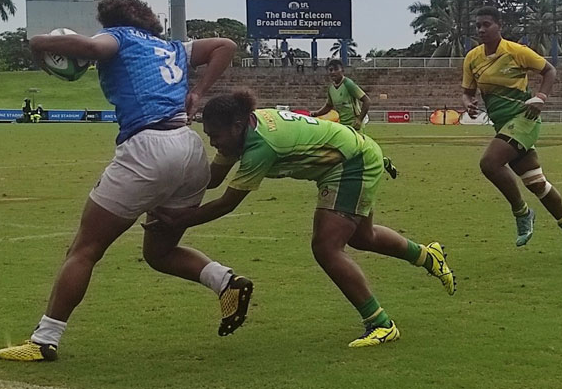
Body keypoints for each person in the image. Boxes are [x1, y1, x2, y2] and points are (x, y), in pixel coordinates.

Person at [0, 0, 247, 362]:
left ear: (111, 20)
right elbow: (226, 46)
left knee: (84, 249)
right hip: (190, 150)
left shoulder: (119, 36)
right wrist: (198, 92)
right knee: (159, 252)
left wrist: (38, 43)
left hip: (147, 148)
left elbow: (89, 48)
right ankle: (225, 282)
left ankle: (43, 340)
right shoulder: (172, 47)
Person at [143, 92, 456, 348]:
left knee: (326, 247)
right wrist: (167, 184)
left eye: (216, 136)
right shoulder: (241, 131)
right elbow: (212, 180)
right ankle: (427, 255)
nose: (213, 143)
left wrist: (177, 221)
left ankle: (381, 324)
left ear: (237, 126)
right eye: (209, 135)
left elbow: (227, 203)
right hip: (351, 155)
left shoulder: (260, 146)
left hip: (352, 164)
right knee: (363, 237)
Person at [461, 6, 562, 259]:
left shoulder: (516, 51)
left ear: (499, 26)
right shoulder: (472, 58)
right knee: (536, 183)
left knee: (489, 163)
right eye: (478, 26)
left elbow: (549, 70)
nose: (481, 29)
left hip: (524, 120)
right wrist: (468, 103)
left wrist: (541, 97)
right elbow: (467, 92)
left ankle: (522, 213)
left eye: (486, 24)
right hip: (503, 125)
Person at [310, 59, 398, 179]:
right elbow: (329, 106)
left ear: (342, 70)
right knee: (343, 152)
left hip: (355, 125)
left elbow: (367, 101)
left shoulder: (348, 84)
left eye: (336, 69)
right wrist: (316, 113)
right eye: (330, 70)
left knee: (361, 153)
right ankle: (346, 176)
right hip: (343, 126)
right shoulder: (331, 88)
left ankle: (385, 163)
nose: (333, 72)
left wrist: (359, 120)